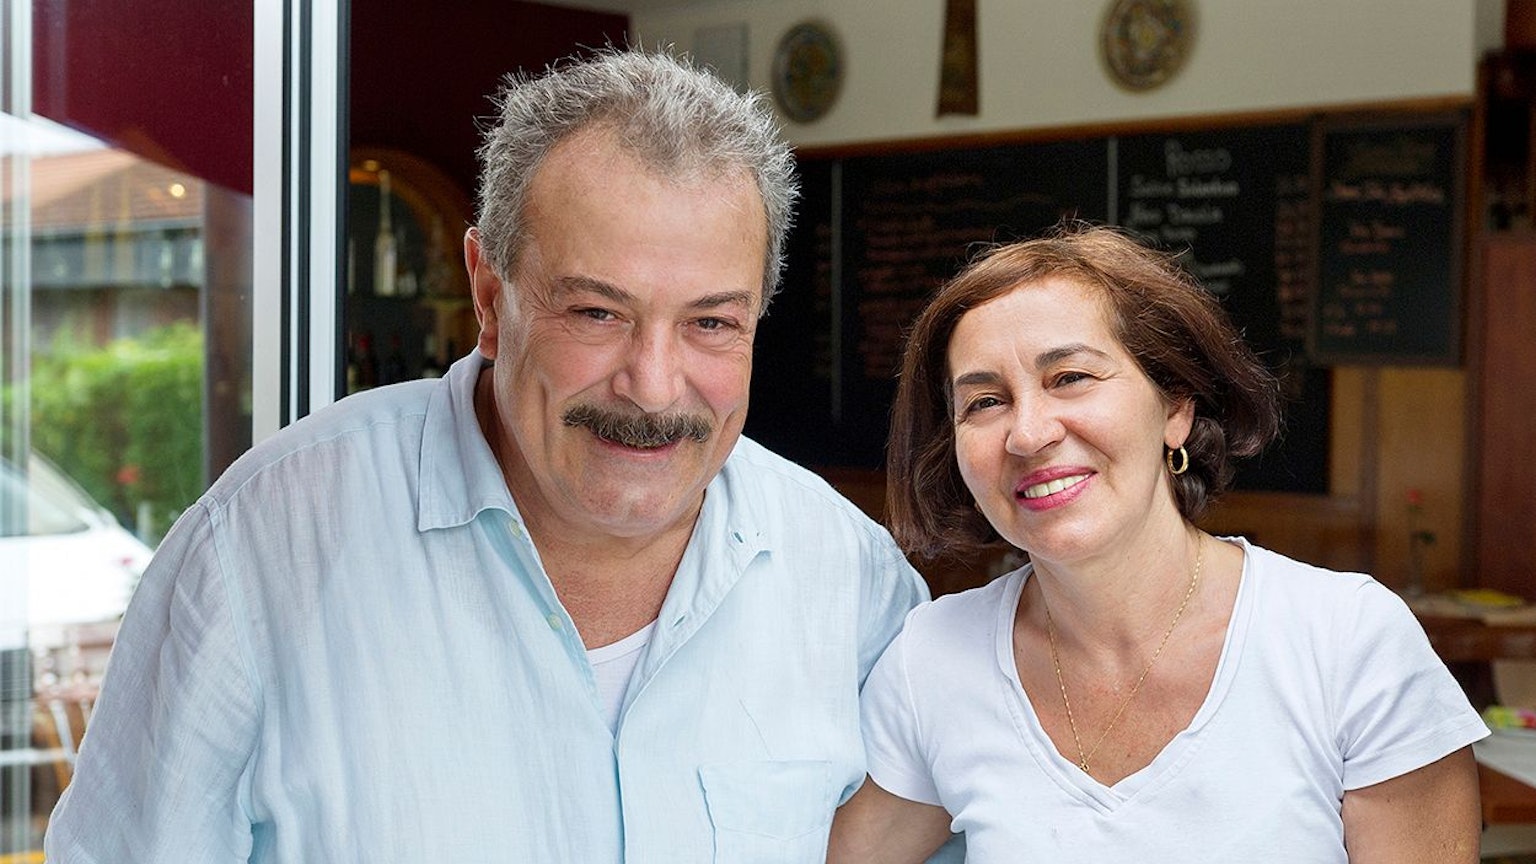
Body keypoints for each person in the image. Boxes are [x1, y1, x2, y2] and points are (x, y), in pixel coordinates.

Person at [45, 49, 937, 863]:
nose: (655, 386)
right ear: (486, 291)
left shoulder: (851, 581)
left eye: (711, 323)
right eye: (597, 313)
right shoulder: (262, 549)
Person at [827, 223, 1488, 863]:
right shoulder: (934, 660)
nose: (1026, 434)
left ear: (1176, 406)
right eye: (984, 402)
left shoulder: (1346, 641)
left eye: (1071, 378)